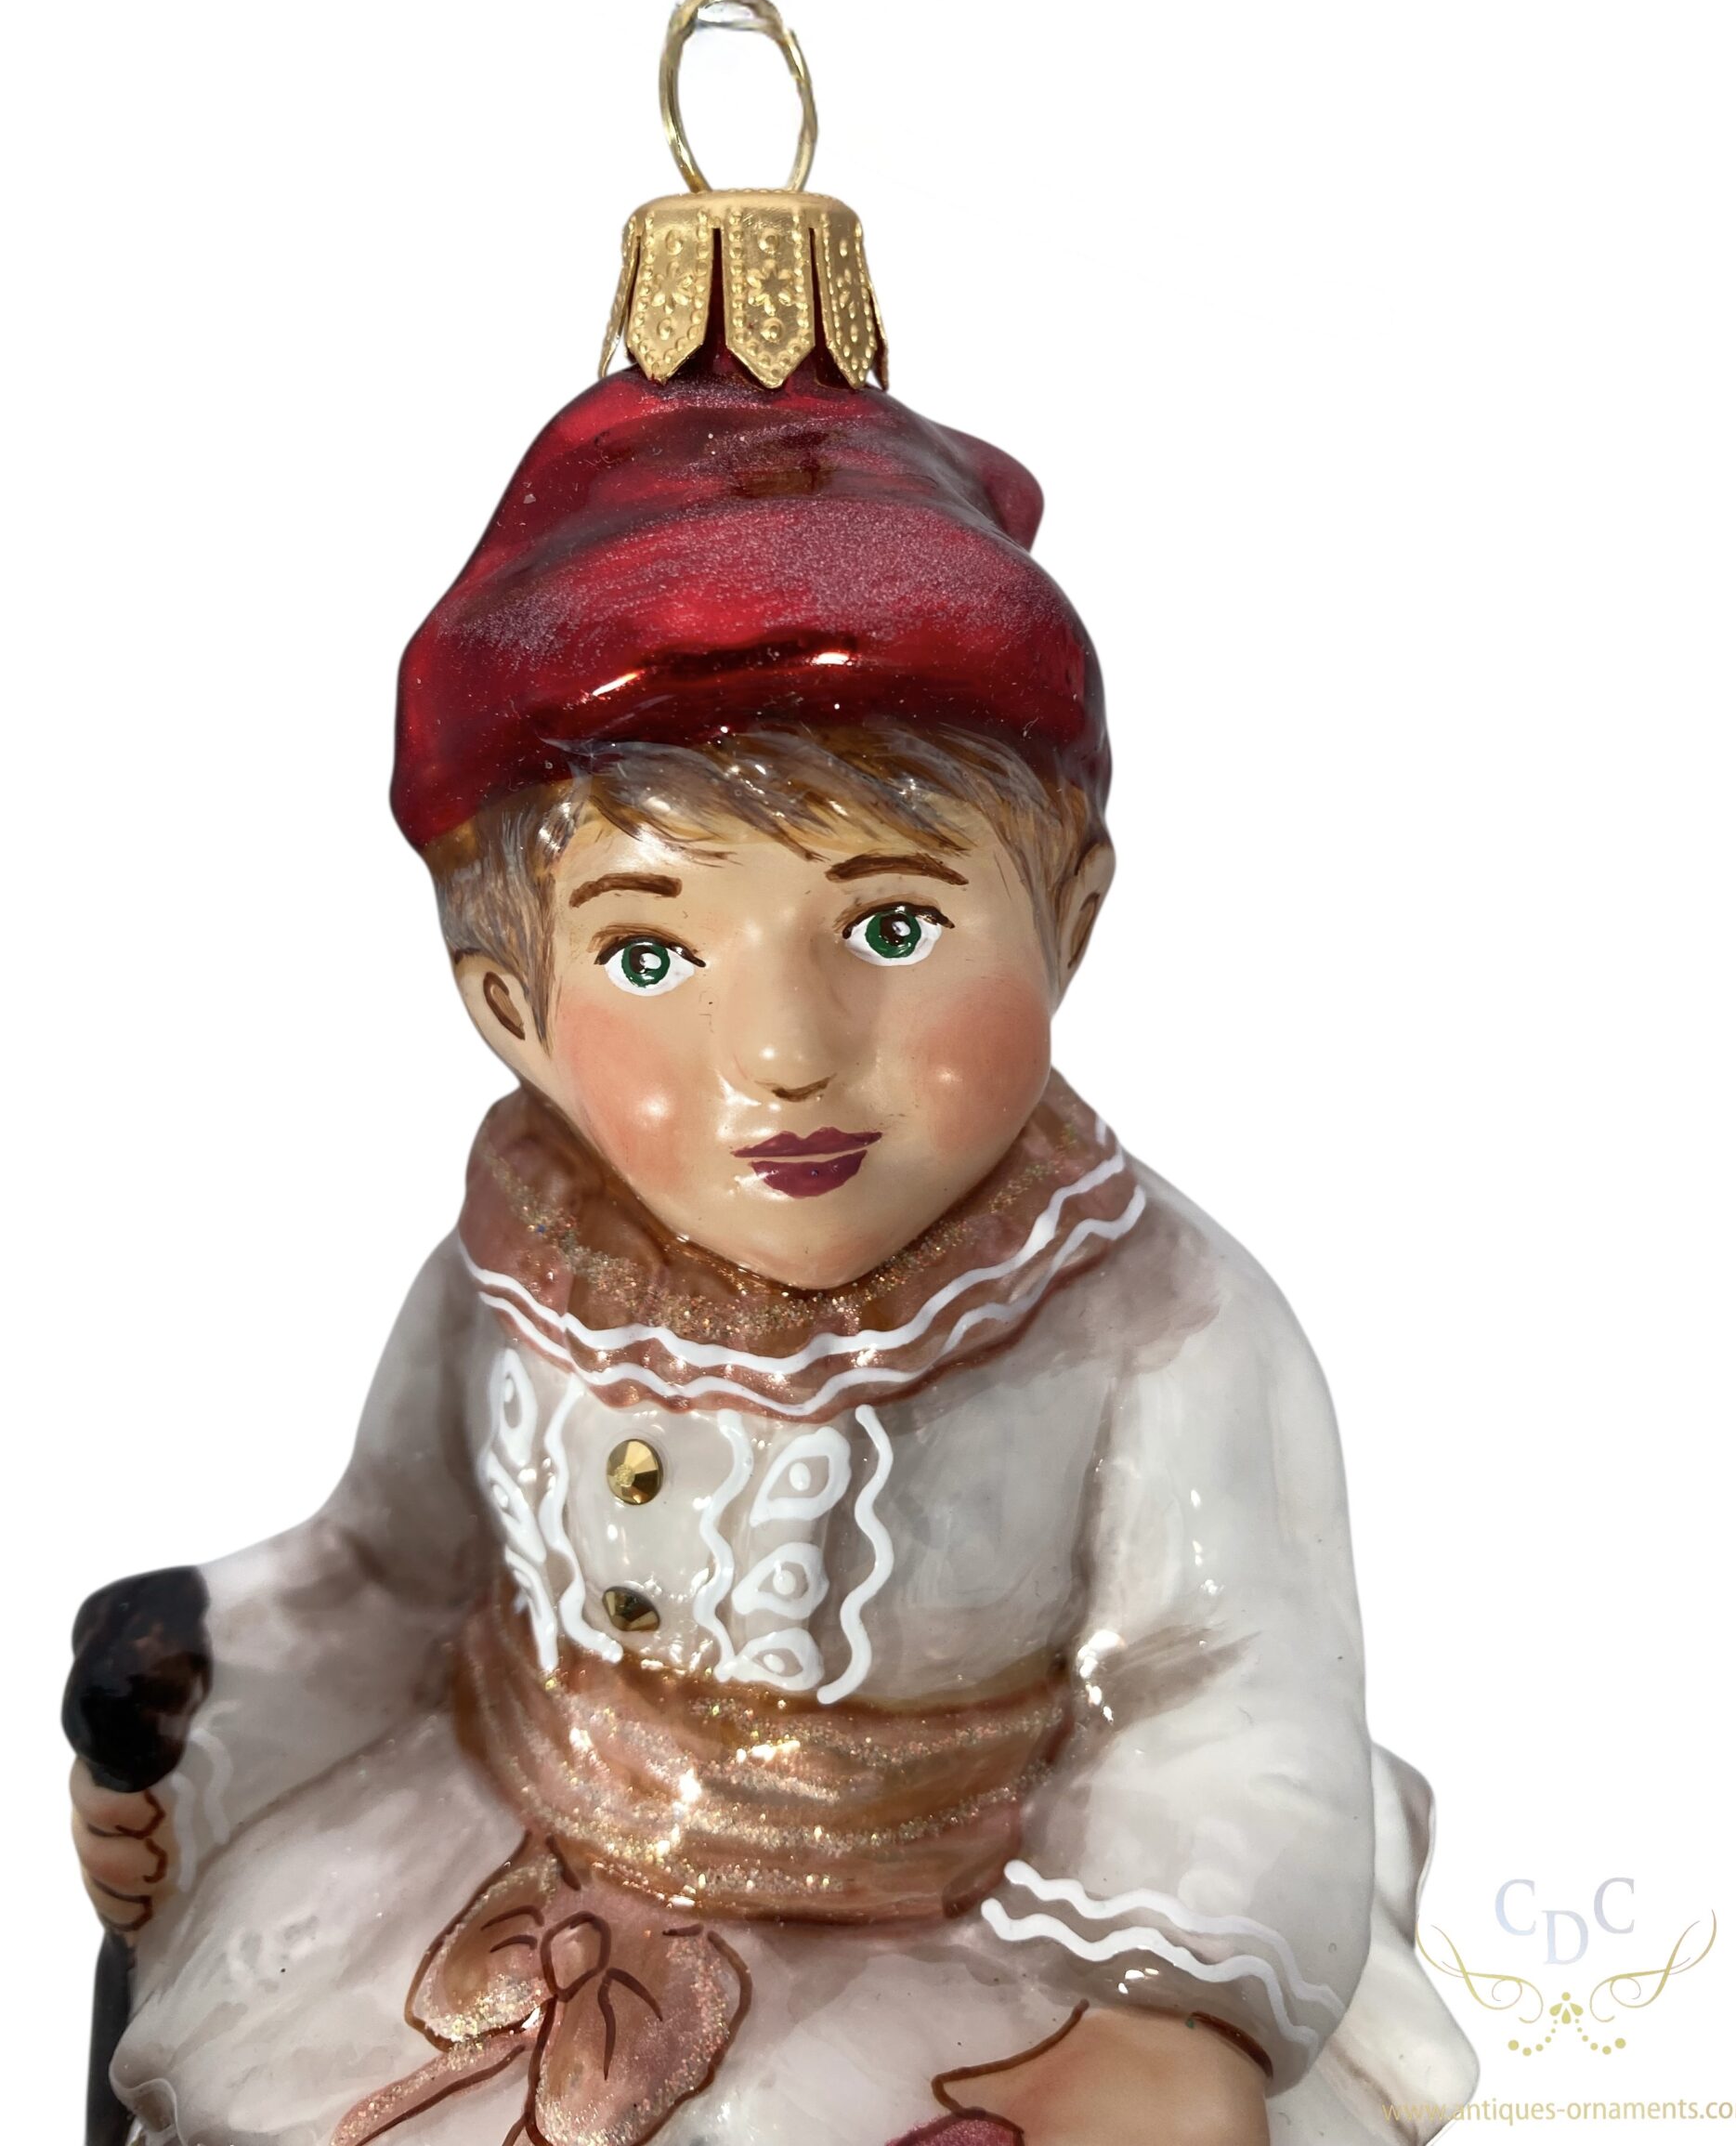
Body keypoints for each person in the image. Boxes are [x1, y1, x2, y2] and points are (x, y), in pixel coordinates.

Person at [69, 312, 1477, 2146]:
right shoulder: (521, 1277)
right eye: (652, 955)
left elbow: (1232, 1699)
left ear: (1071, 916)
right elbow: (393, 1570)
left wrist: (1169, 2004)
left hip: (971, 1936)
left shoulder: (1154, 1322)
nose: (788, 1054)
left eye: (893, 927)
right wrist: (206, 1688)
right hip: (496, 1867)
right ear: (510, 1009)